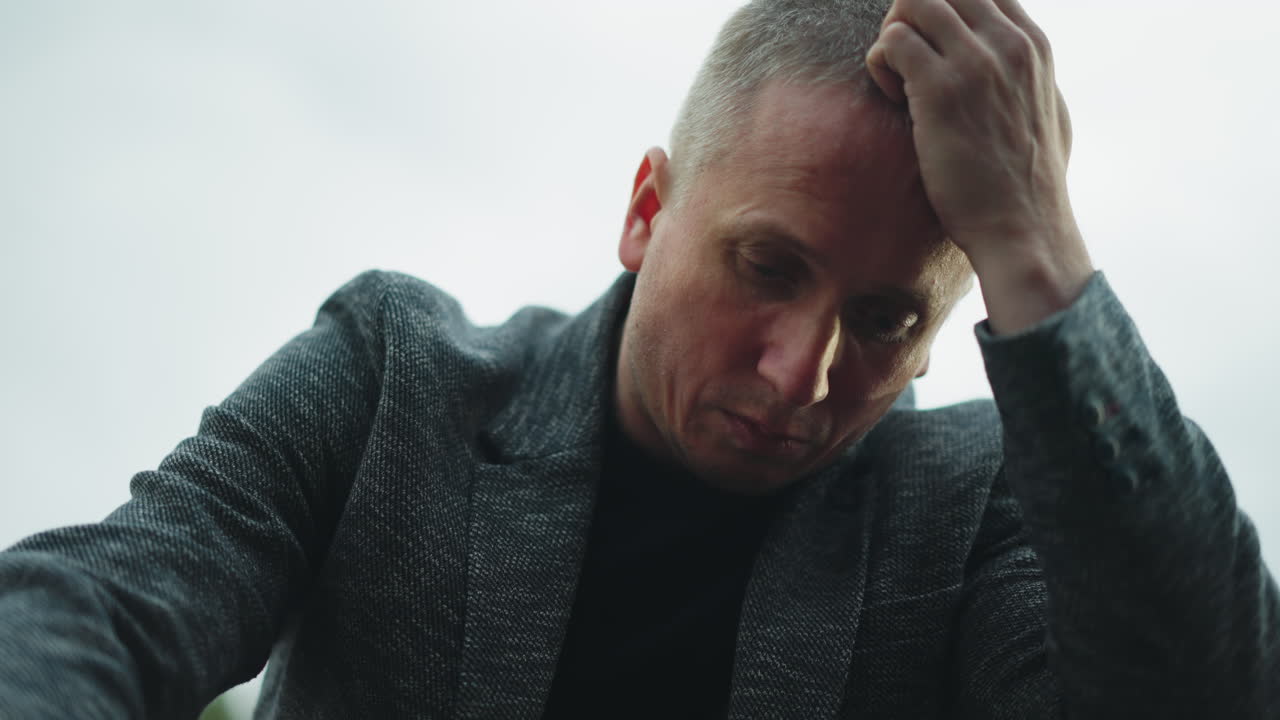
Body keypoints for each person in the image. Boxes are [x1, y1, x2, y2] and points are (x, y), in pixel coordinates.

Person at [1, 0, 1276, 717]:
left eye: (886, 319)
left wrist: (1039, 252)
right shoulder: (393, 376)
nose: (796, 376)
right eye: (765, 266)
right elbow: (108, 604)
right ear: (645, 212)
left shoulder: (976, 502)